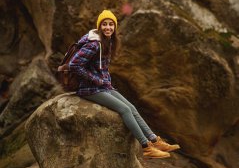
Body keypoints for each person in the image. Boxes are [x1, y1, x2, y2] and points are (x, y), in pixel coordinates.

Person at [68, 9, 180, 159]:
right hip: (89, 88)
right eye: (105, 24)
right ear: (99, 27)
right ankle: (146, 146)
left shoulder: (107, 42)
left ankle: (155, 140)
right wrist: (97, 80)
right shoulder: (93, 45)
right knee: (125, 110)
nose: (108, 28)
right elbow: (74, 65)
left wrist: (105, 82)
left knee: (132, 108)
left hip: (102, 86)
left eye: (111, 25)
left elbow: (101, 68)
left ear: (115, 27)